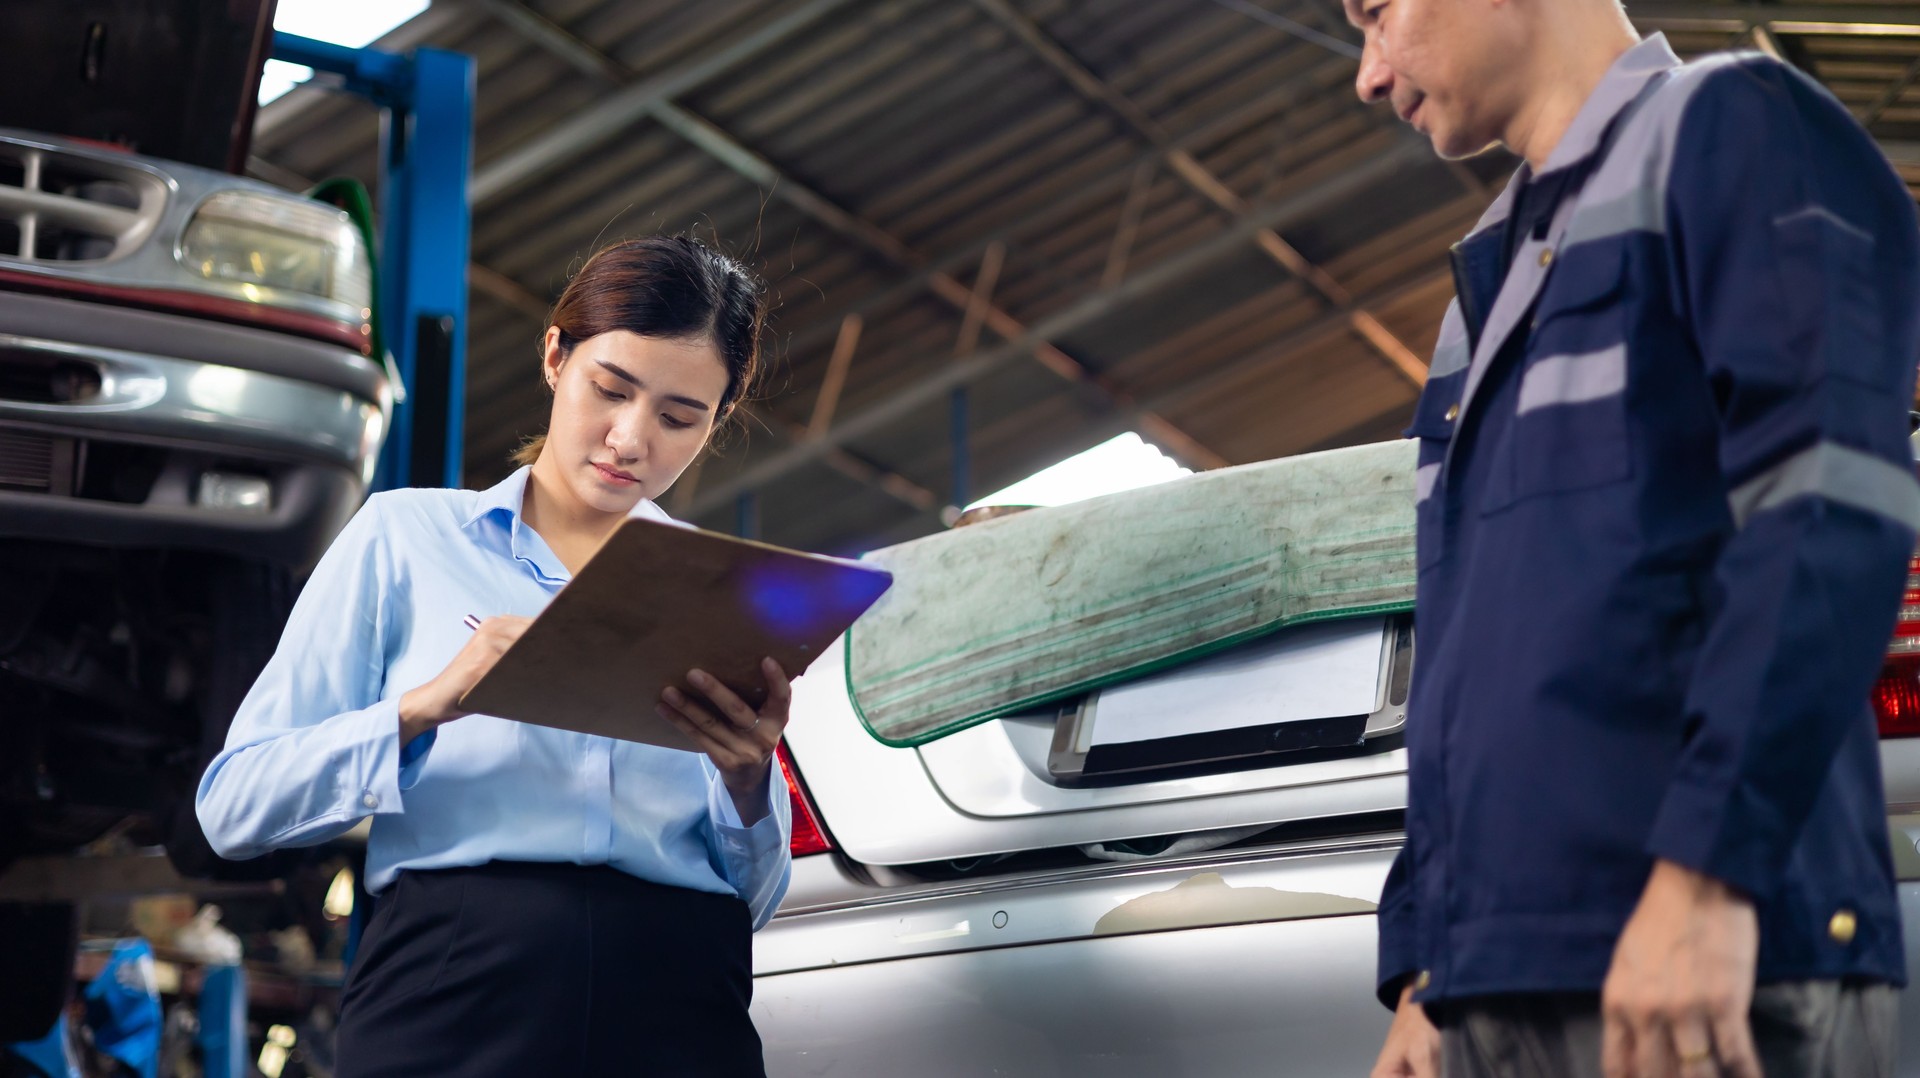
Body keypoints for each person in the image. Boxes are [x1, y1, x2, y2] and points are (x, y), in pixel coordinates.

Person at [1344, 2, 1920, 1076]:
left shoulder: (1735, 131)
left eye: (1376, 12)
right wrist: (1429, 961)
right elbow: (1470, 649)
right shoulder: (1481, 298)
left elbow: (1829, 508)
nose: (1368, 76)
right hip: (1503, 981)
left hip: (1711, 959)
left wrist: (1708, 874)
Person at [196, 236, 792, 1078]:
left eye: (678, 417)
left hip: (684, 1003)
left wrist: (746, 782)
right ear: (556, 355)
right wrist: (425, 706)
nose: (630, 439)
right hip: (454, 991)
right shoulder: (404, 539)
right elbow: (232, 809)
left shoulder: (727, 594)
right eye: (610, 390)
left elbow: (756, 902)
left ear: (719, 419)